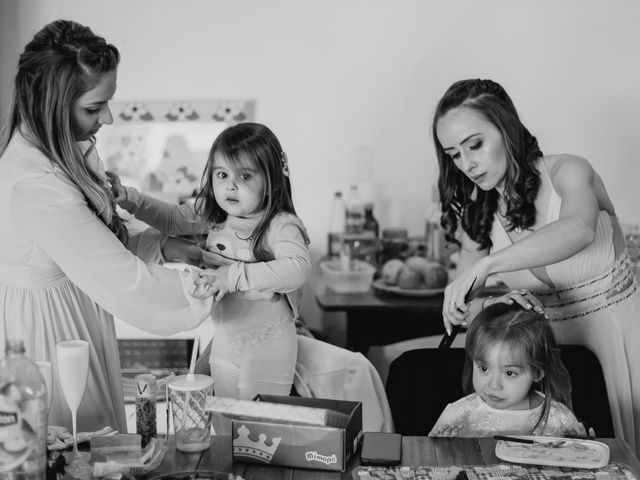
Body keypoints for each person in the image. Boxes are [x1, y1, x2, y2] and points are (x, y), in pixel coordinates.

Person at [0, 20, 213, 434]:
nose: (109, 118)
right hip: (50, 330)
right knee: (77, 439)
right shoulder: (34, 183)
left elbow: (97, 233)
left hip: (77, 304)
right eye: (94, 108)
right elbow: (122, 279)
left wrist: (165, 246)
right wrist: (214, 285)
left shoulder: (67, 148)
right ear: (51, 104)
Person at [434, 78, 640, 450]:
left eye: (474, 145)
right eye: (454, 155)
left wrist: (489, 265)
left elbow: (578, 229)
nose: (466, 164)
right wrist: (496, 303)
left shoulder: (569, 172)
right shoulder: (477, 212)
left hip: (623, 344)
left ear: (507, 129)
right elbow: (470, 310)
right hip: (546, 370)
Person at [108, 122, 309, 400]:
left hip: (269, 346)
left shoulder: (280, 225)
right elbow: (172, 219)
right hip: (225, 342)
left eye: (246, 176)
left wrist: (231, 276)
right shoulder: (214, 216)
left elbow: (297, 269)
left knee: (256, 427)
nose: (231, 186)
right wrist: (130, 199)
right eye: (222, 174)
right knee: (223, 424)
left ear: (271, 180)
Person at [429, 303, 586, 437]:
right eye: (484, 368)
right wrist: (444, 445)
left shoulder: (559, 418)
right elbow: (428, 461)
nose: (494, 385)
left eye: (509, 373)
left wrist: (582, 447)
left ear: (538, 372)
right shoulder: (457, 415)